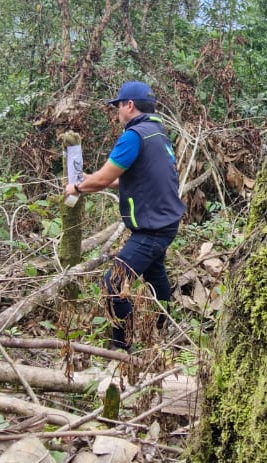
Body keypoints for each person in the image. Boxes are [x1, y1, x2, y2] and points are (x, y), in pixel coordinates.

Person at [65, 81, 186, 351]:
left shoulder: (134, 135)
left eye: (118, 105)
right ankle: (161, 330)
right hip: (165, 220)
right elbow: (131, 178)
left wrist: (77, 187)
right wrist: (91, 180)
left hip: (152, 227)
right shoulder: (158, 133)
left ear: (129, 105)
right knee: (156, 277)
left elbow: (105, 177)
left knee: (114, 282)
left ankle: (122, 347)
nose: (117, 112)